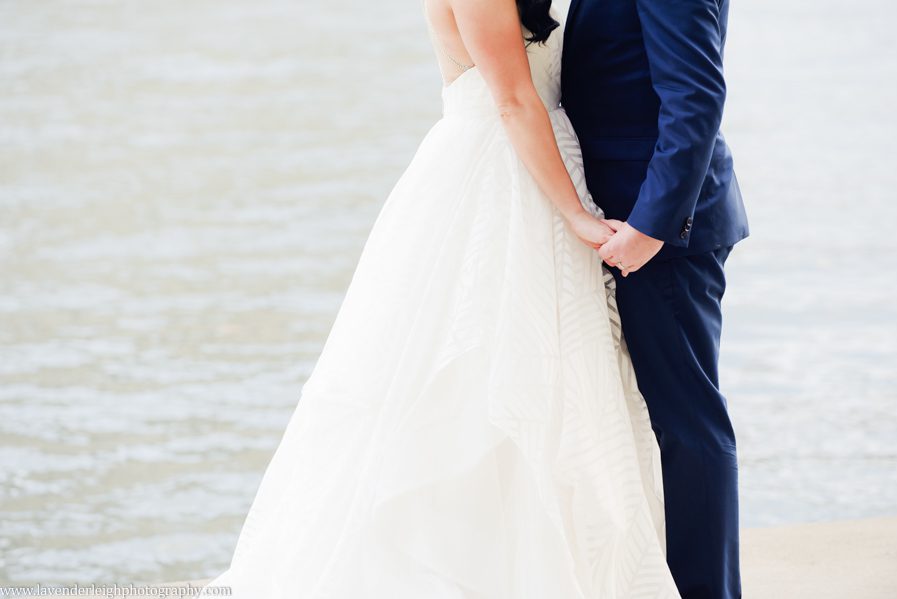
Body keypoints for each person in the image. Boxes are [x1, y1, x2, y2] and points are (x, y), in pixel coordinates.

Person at [199, 0, 686, 596]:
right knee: (480, 374)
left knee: (564, 380)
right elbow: (511, 99)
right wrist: (576, 215)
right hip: (500, 171)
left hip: (543, 159)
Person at [561, 0, 750, 597]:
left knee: (688, 424)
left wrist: (653, 227)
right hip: (624, 214)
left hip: (656, 228)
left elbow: (695, 94)